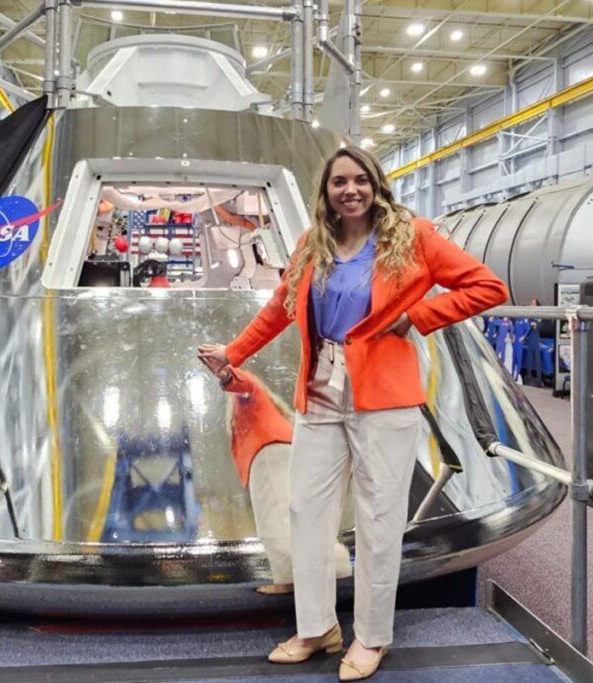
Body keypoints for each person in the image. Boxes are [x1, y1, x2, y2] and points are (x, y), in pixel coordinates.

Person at [198, 146, 507, 681]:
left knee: (379, 521)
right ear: (326, 193)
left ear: (376, 184)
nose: (350, 190)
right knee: (306, 515)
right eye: (339, 182)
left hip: (384, 401)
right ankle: (317, 628)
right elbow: (279, 308)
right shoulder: (310, 245)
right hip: (320, 393)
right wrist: (234, 354)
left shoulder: (415, 238)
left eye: (360, 180)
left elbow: (487, 287)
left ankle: (371, 637)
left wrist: (418, 315)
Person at [202, 363, 352, 595]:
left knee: (278, 519)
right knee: (283, 520)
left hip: (269, 455)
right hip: (275, 454)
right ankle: (296, 576)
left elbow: (245, 383)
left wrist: (228, 374)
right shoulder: (268, 410)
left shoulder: (247, 397)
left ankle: (333, 567)